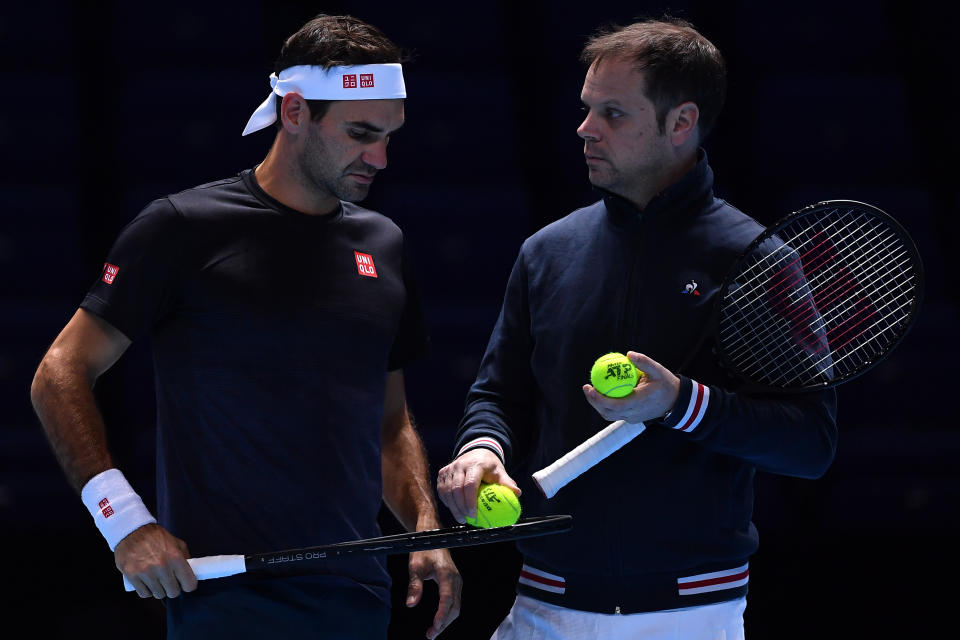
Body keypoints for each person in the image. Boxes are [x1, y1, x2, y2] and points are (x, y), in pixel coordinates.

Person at [31, 14, 460, 640]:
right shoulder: (181, 227)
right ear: (293, 112)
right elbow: (58, 374)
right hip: (225, 604)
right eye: (361, 133)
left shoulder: (384, 243)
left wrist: (424, 529)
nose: (381, 158)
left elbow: (388, 421)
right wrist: (123, 523)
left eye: (390, 135)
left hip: (359, 595)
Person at [437, 17, 837, 639]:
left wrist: (681, 403)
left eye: (613, 114)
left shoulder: (757, 261)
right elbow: (499, 396)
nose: (585, 129)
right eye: (587, 109)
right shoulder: (546, 251)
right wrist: (480, 450)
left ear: (682, 123)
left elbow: (810, 443)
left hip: (690, 617)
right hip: (543, 607)